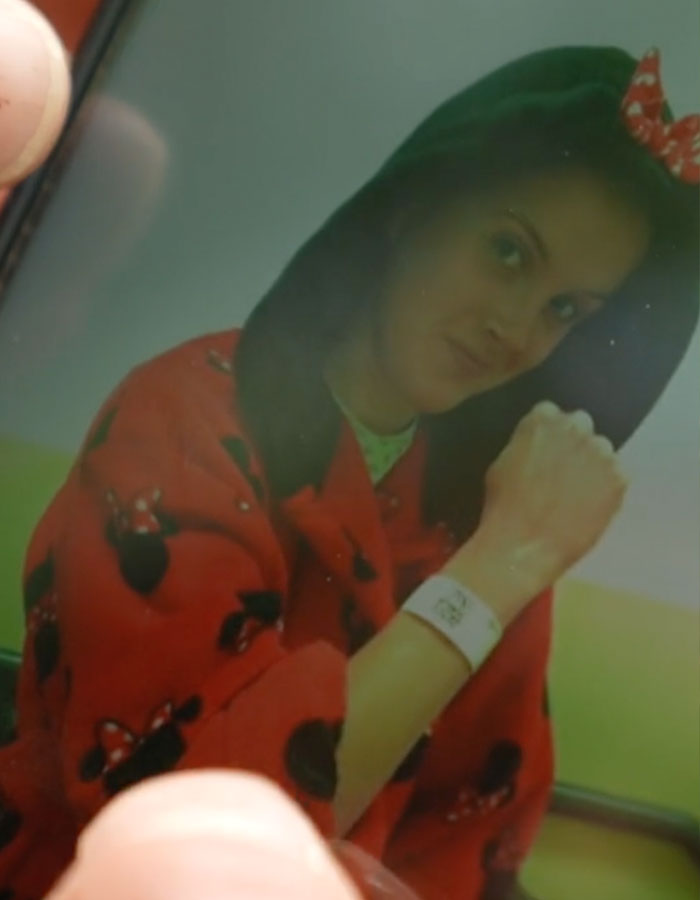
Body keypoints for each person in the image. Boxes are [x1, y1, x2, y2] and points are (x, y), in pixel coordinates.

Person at [0, 38, 698, 900]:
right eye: (509, 253)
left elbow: (470, 829)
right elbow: (197, 823)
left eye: (566, 309)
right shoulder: (182, 421)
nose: (516, 327)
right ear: (415, 205)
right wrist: (493, 574)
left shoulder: (487, 503)